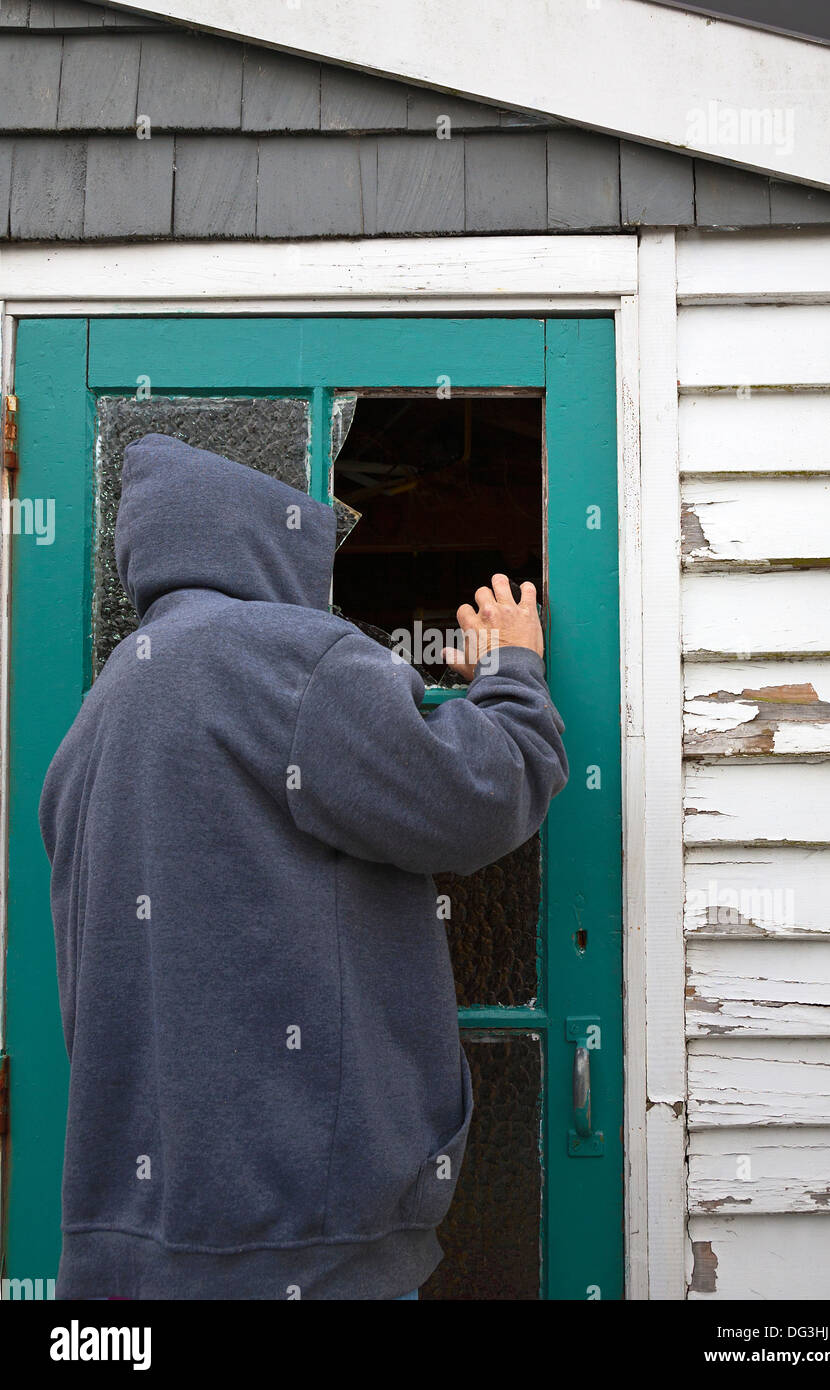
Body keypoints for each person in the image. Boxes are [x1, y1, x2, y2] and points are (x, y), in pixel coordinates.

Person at [38, 433, 569, 1300]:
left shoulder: (98, 715)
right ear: (263, 542)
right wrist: (513, 671)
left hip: (133, 1255)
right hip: (300, 1245)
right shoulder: (280, 654)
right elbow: (481, 797)